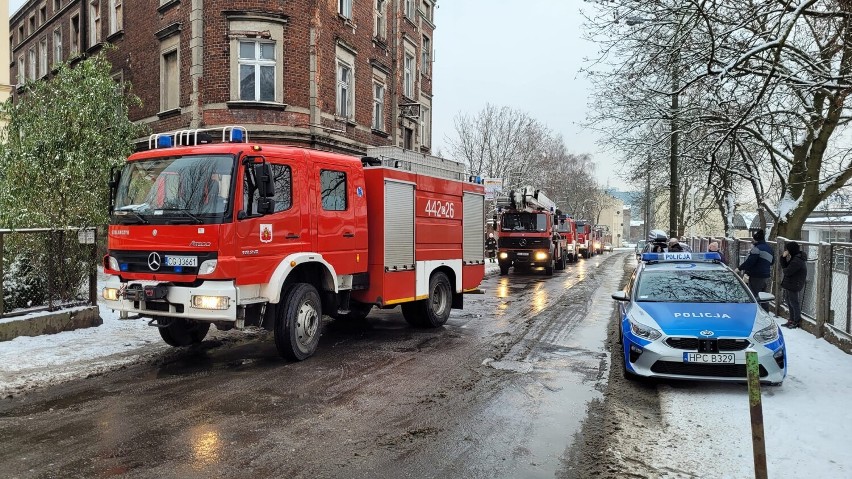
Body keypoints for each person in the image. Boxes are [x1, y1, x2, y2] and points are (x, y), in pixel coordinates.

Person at [738, 229, 775, 311]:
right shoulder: (769, 249)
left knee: (754, 295)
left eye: (753, 239)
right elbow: (772, 262)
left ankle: (756, 312)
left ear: (756, 239)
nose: (752, 241)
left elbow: (750, 262)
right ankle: (765, 312)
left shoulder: (757, 249)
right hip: (766, 275)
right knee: (764, 296)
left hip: (756, 275)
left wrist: (739, 268)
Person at [780, 241, 807, 329]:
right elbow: (786, 267)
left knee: (794, 302)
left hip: (795, 283)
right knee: (788, 301)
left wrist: (785, 269)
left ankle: (796, 321)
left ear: (791, 250)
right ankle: (791, 319)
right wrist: (783, 258)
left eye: (788, 249)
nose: (787, 251)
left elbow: (787, 271)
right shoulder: (794, 257)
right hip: (791, 283)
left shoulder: (797, 260)